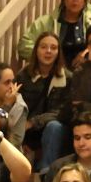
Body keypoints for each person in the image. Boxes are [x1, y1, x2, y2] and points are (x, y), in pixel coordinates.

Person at [18, 0, 91, 66]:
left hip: (83, 72)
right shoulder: (47, 22)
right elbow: (24, 45)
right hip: (53, 72)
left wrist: (86, 54)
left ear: (85, 1)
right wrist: (48, 57)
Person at [20, 33, 73, 164]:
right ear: (36, 50)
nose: (48, 51)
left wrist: (33, 122)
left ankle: (47, 173)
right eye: (43, 47)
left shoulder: (68, 78)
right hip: (27, 129)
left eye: (53, 48)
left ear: (58, 52)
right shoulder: (24, 75)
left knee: (54, 127)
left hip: (53, 127)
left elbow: (63, 112)